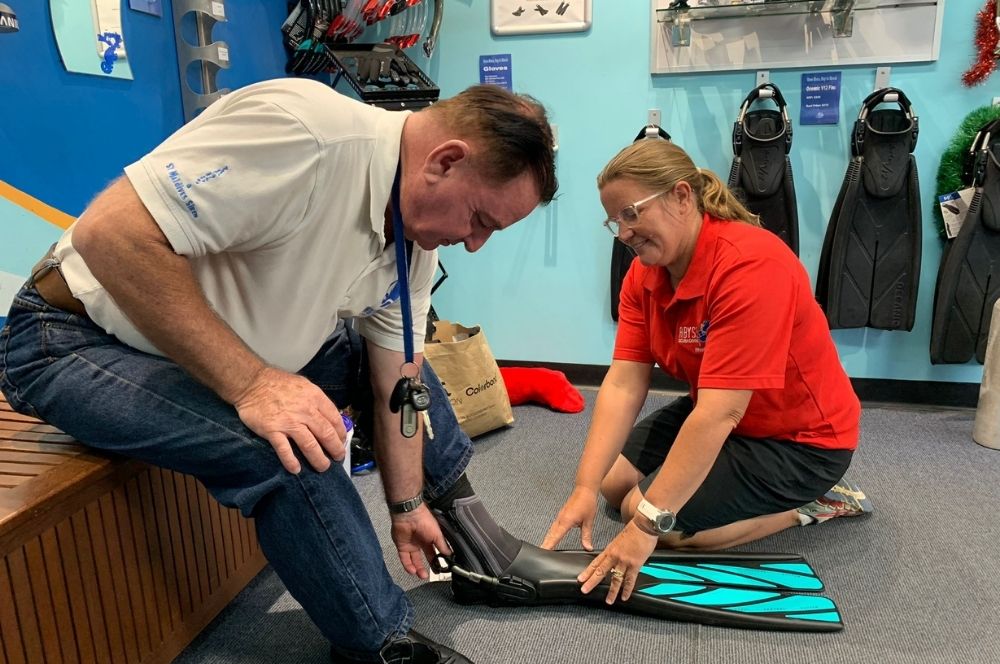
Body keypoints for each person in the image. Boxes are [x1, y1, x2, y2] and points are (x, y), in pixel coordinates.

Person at [0, 79, 556, 664]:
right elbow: (108, 234)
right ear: (446, 160)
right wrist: (254, 385)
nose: (474, 245)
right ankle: (378, 644)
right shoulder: (304, 135)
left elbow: (397, 380)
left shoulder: (413, 234)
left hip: (222, 340)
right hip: (67, 339)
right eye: (480, 220)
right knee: (286, 442)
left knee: (406, 370)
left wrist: (406, 504)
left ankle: (474, 542)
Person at [541, 139, 866, 606]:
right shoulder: (643, 275)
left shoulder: (750, 265)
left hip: (801, 442)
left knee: (656, 523)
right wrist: (584, 487)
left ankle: (815, 505)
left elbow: (718, 414)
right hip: (724, 414)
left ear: (681, 196)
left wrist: (647, 527)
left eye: (631, 213)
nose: (624, 233)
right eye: (615, 221)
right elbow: (623, 382)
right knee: (613, 486)